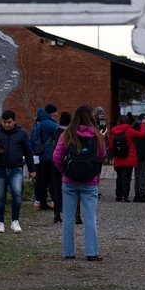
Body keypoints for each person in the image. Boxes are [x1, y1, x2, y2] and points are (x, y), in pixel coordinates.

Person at [52, 104, 107, 260]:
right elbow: (102, 155)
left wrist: (66, 172)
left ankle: (68, 252)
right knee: (90, 217)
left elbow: (56, 157)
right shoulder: (97, 135)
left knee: (68, 218)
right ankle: (91, 253)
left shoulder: (67, 134)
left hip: (69, 182)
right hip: (90, 182)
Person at [0, 109, 35, 233]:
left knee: (17, 194)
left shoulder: (22, 133)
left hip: (16, 168)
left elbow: (28, 152)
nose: (6, 125)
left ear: (14, 121)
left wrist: (32, 169)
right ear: (1, 121)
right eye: (4, 122)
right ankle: (0, 222)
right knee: (0, 195)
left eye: (9, 122)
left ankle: (15, 221)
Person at [31, 104, 60, 210]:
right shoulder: (48, 123)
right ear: (49, 113)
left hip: (41, 156)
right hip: (48, 156)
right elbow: (61, 131)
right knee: (51, 180)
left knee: (42, 179)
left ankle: (41, 201)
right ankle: (53, 202)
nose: (56, 114)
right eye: (54, 112)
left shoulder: (39, 124)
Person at [109, 114, 141, 201]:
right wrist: (143, 124)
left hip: (118, 159)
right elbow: (142, 134)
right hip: (128, 158)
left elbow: (111, 146)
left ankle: (118, 195)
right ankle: (124, 196)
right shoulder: (130, 130)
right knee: (126, 178)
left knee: (119, 177)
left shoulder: (113, 131)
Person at [51, 111, 71, 223]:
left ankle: (56, 214)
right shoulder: (71, 133)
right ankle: (75, 215)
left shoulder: (56, 132)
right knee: (72, 190)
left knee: (57, 189)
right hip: (69, 165)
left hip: (56, 164)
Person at [132, 113, 145, 203]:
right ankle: (141, 194)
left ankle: (137, 194)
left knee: (137, 175)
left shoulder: (134, 127)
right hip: (143, 155)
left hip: (135, 154)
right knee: (143, 175)